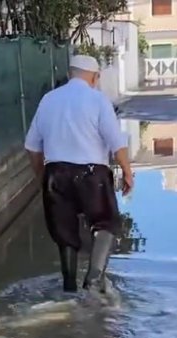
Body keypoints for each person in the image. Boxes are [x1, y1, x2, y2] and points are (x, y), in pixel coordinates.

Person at [24, 55, 135, 293]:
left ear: (71, 74)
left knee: (64, 232)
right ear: (95, 77)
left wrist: (42, 177)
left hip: (56, 175)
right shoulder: (98, 100)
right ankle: (94, 279)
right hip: (92, 174)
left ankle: (68, 287)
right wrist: (127, 172)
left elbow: (32, 146)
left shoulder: (48, 100)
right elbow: (116, 142)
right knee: (106, 223)